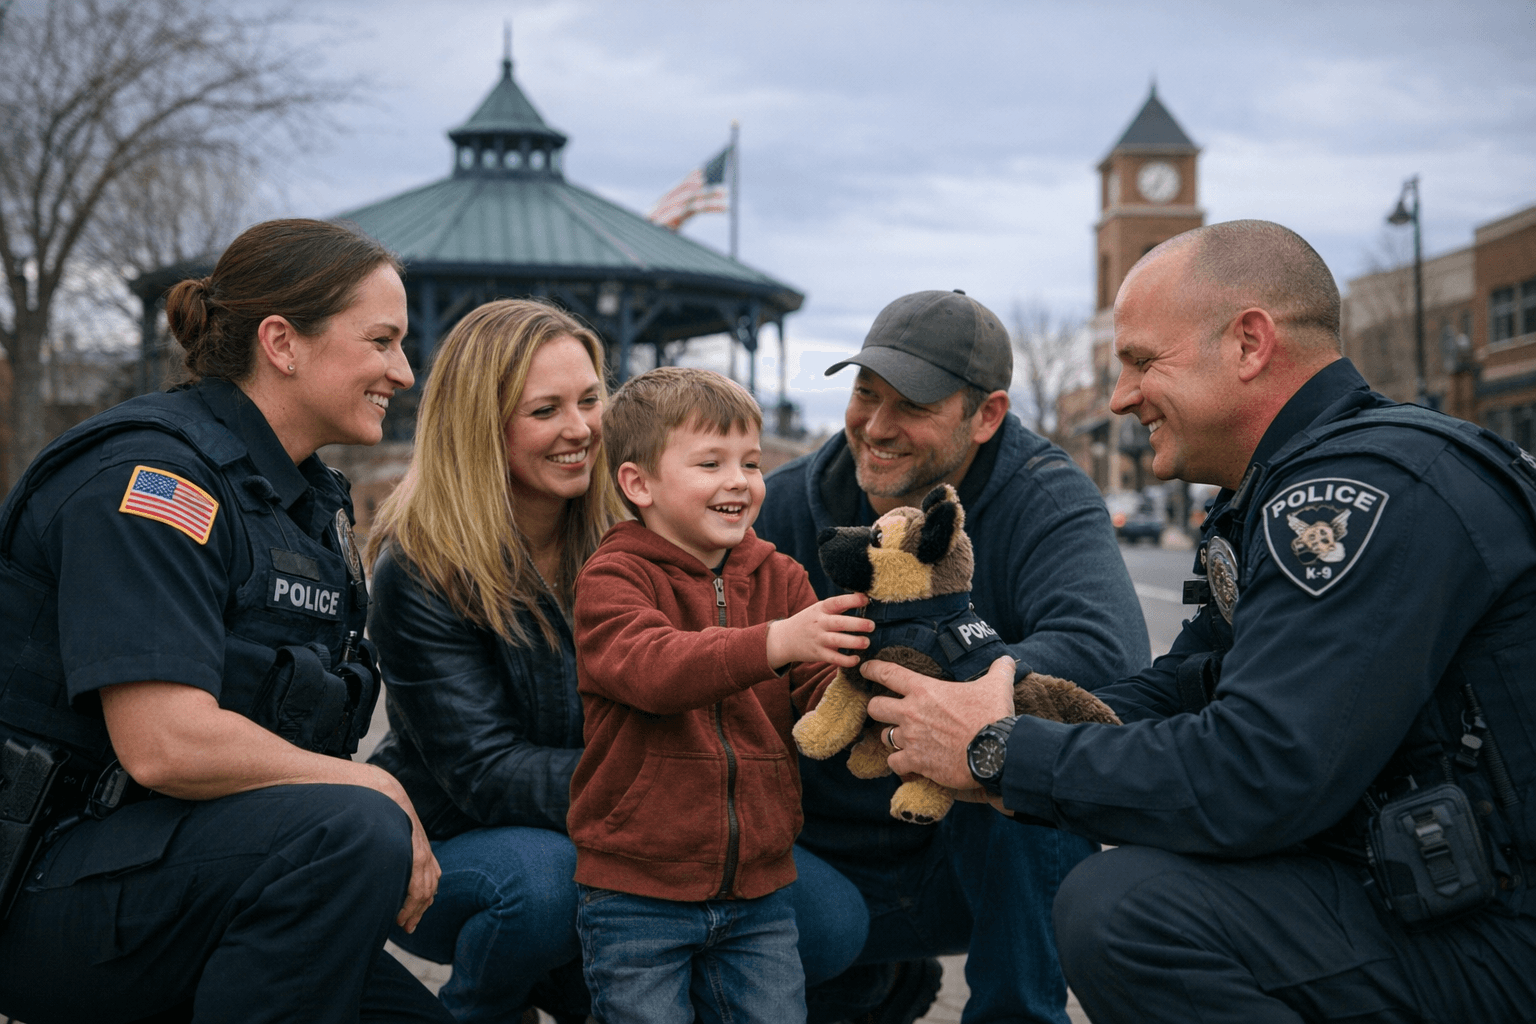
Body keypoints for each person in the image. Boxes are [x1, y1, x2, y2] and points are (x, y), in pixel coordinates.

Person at [865, 220, 1536, 1022]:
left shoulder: (1355, 493)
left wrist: (998, 753)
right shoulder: (1279, 488)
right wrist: (1009, 713)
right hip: (1433, 891)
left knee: (1129, 912)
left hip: (1500, 930)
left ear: (1250, 343)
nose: (1119, 398)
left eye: (1144, 362)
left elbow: (1259, 772)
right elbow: (1193, 681)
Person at [0, 218, 452, 1023]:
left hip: (185, 872)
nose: (404, 371)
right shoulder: (152, 480)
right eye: (381, 341)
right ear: (283, 342)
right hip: (51, 887)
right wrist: (372, 785)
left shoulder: (302, 503)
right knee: (355, 825)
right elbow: (163, 742)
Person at [755, 290, 1149, 1024]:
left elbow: (1106, 652)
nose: (875, 426)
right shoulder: (776, 508)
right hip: (817, 852)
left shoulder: (1045, 494)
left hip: (969, 860)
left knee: (1013, 747)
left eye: (910, 405)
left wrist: (952, 699)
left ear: (988, 416)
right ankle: (874, 984)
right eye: (865, 394)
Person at [569, 367, 875, 1024]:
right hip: (636, 889)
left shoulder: (781, 577)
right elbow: (654, 668)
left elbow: (818, 689)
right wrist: (773, 643)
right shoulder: (613, 576)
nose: (739, 480)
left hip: (760, 887)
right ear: (638, 483)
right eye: (710, 463)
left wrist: (867, 686)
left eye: (752, 463)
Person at [364, 299, 624, 1022]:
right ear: (482, 425)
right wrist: (654, 784)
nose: (580, 430)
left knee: (825, 917)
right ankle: (480, 1008)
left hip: (604, 825)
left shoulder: (632, 536)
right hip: (450, 843)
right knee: (546, 885)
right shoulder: (420, 567)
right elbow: (486, 774)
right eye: (545, 410)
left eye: (590, 400)